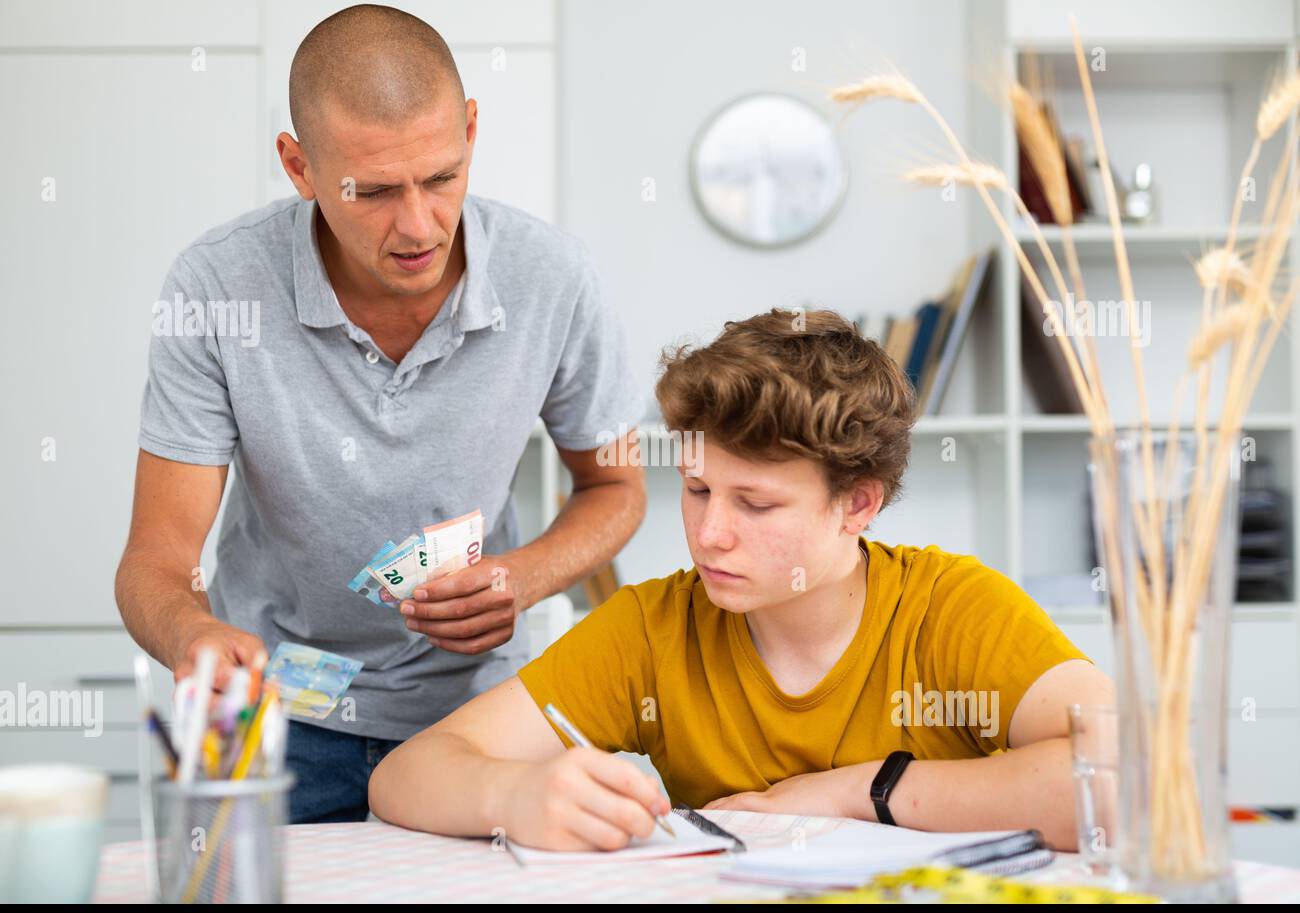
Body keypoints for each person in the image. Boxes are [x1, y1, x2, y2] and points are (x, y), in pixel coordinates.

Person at [115, 5, 646, 823]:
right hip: (276, 716)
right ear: (298, 166)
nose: (418, 226)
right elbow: (157, 554)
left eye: (440, 177)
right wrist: (191, 634)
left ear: (470, 130)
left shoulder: (554, 278)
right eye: (374, 191)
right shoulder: (216, 287)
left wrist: (524, 576)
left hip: (475, 719)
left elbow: (616, 491)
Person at [368, 308, 1115, 852]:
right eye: (696, 491)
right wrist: (515, 793)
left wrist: (859, 792)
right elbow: (405, 776)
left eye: (755, 503)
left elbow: (1121, 783)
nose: (709, 533)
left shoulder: (952, 609)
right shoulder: (653, 628)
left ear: (857, 503)